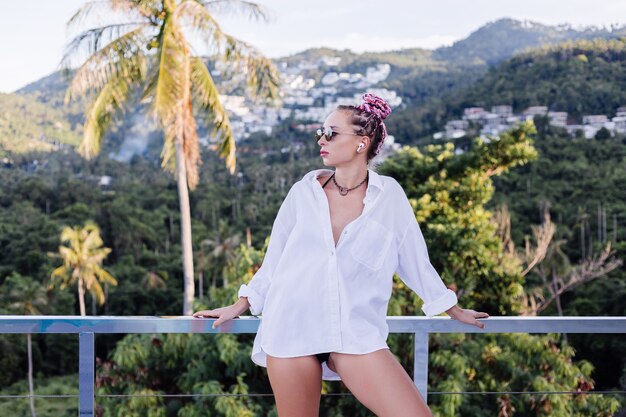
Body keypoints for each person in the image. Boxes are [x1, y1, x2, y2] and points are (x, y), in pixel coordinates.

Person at [193, 92, 490, 417]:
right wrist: (241, 304)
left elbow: (414, 259)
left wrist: (452, 309)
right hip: (292, 327)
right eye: (321, 131)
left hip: (355, 332)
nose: (322, 138)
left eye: (331, 132)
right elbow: (274, 261)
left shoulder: (388, 196)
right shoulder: (302, 193)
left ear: (361, 143)